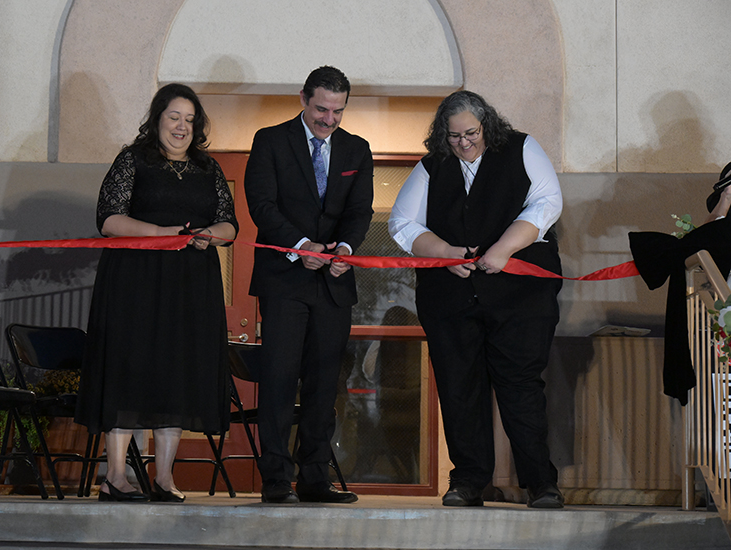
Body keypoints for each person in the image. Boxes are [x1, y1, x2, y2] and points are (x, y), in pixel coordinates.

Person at [388, 90, 564, 508]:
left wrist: (503, 248)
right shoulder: (432, 165)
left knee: (520, 387)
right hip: (450, 300)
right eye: (453, 137)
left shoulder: (521, 147)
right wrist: (445, 253)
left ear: (487, 126)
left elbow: (547, 201)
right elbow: (401, 223)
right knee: (458, 388)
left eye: (471, 133)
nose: (464, 143)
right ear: (441, 135)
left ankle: (541, 484)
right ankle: (468, 482)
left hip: (520, 299)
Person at [75, 83, 238, 503]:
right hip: (135, 281)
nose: (182, 127)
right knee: (129, 369)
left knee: (176, 374)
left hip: (189, 285)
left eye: (189, 120)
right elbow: (109, 218)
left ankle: (163, 478)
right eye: (173, 117)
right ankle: (116, 476)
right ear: (157, 118)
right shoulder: (133, 159)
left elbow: (229, 225)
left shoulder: (208, 168)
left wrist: (209, 236)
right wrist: (162, 234)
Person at [244, 66, 373, 504]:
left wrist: (345, 250)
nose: (329, 119)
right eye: (321, 109)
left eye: (338, 111)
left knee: (324, 383)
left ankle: (315, 479)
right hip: (285, 277)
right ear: (303, 98)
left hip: (334, 283)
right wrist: (302, 246)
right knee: (279, 380)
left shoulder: (358, 149)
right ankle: (277, 479)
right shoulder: (270, 140)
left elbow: (360, 212)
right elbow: (261, 205)